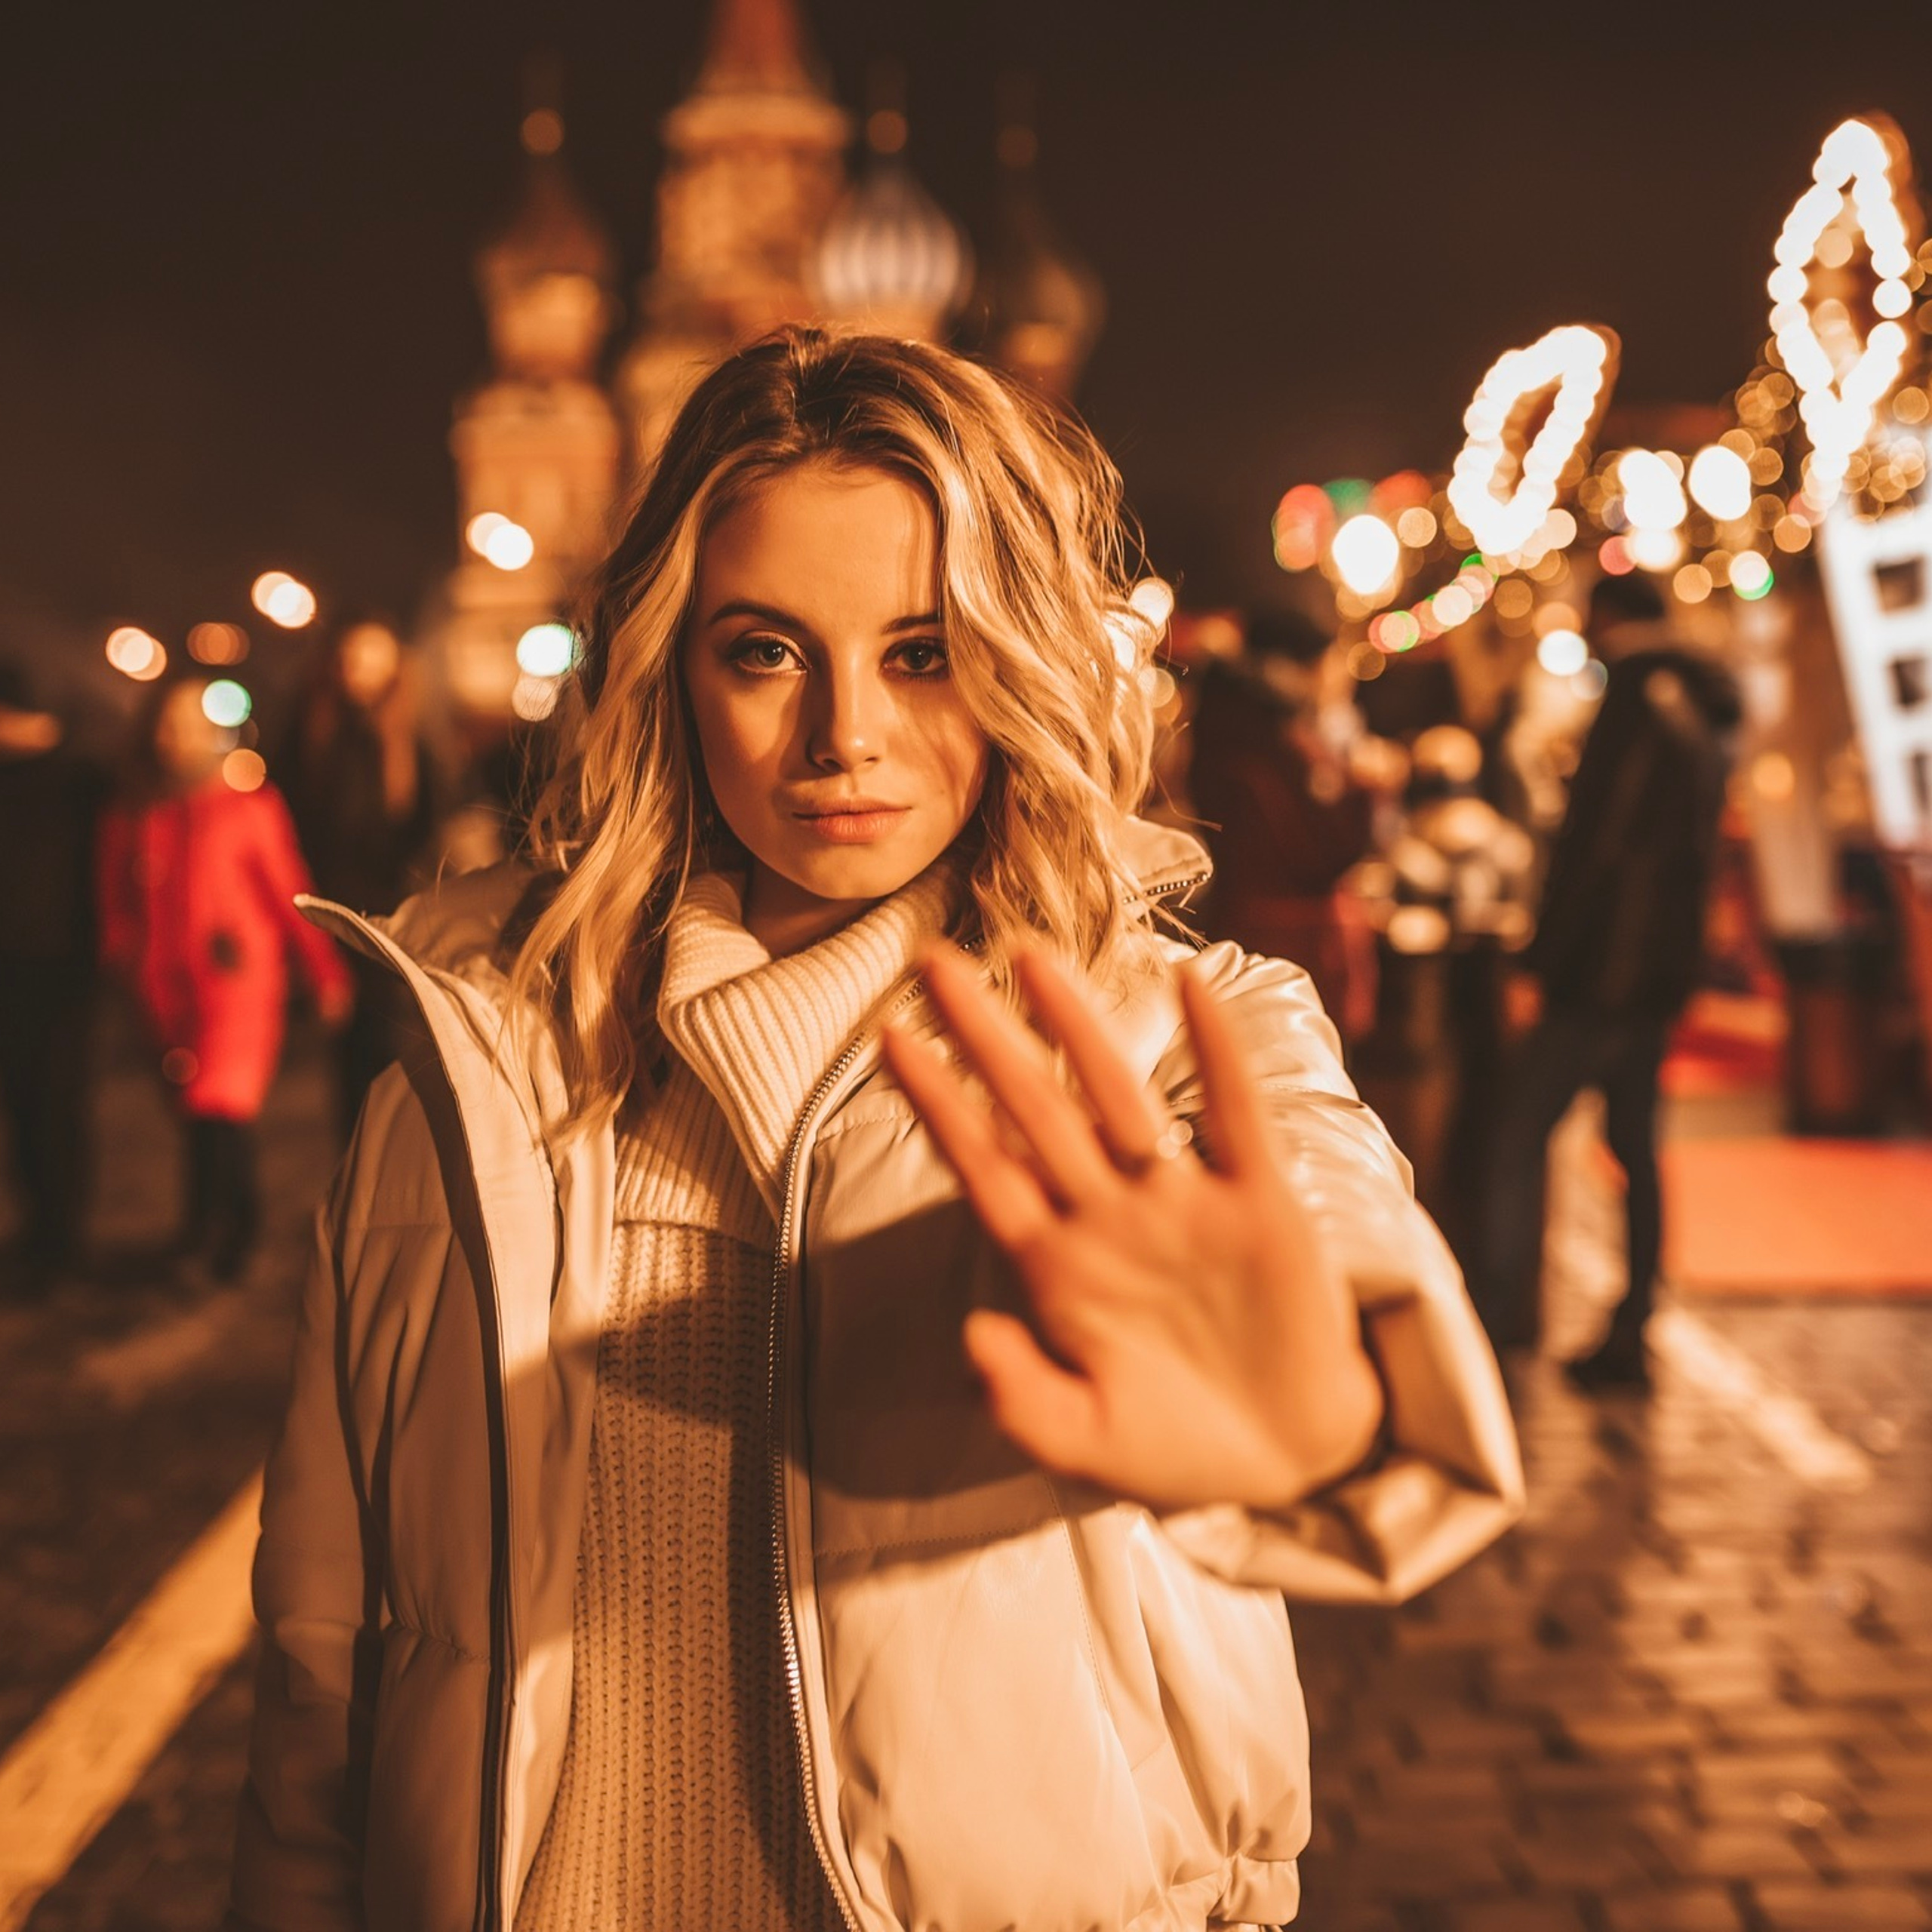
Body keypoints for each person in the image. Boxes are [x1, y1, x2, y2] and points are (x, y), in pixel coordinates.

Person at [228, 329, 1521, 1932]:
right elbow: (324, 1650)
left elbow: (1345, 1278)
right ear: (666, 664)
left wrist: (1307, 1397)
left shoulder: (1175, 1032)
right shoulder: (464, 1055)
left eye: (921, 651)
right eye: (765, 650)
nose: (844, 736)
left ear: (1019, 659)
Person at [1476, 571, 1742, 1389]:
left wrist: (1542, 961)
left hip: (1601, 972)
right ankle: (1632, 1325)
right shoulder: (1700, 701)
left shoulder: (1633, 696)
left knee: (1512, 1140)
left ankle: (1492, 1325)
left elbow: (1596, 847)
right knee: (1635, 1149)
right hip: (1656, 971)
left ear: (1607, 618)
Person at [97, 677, 352, 1284]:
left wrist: (324, 969)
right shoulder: (135, 813)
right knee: (192, 1106)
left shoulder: (249, 807)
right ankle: (216, 1225)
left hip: (234, 983)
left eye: (189, 720)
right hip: (163, 987)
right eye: (167, 721)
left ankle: (223, 1235)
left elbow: (289, 890)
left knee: (222, 1103)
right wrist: (124, 964)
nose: (177, 734)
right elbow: (116, 902)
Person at [1188, 606, 1392, 1044]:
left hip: (1252, 935)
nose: (1344, 678)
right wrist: (1366, 788)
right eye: (1333, 662)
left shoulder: (1235, 730)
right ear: (1295, 669)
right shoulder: (1270, 745)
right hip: (1291, 952)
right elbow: (1324, 852)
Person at [278, 618, 438, 1140]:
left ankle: (387, 1163)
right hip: (330, 912)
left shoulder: (414, 734)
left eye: (373, 656)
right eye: (350, 657)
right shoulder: (311, 731)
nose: (359, 671)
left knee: (393, 1051)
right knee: (345, 1056)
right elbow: (292, 820)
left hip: (396, 918)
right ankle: (352, 1159)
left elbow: (438, 818)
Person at [0, 659, 105, 1294]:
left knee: (56, 1105)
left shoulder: (84, 780)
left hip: (65, 971)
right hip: (11, 969)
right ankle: (38, 1230)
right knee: (20, 1103)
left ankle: (64, 1240)